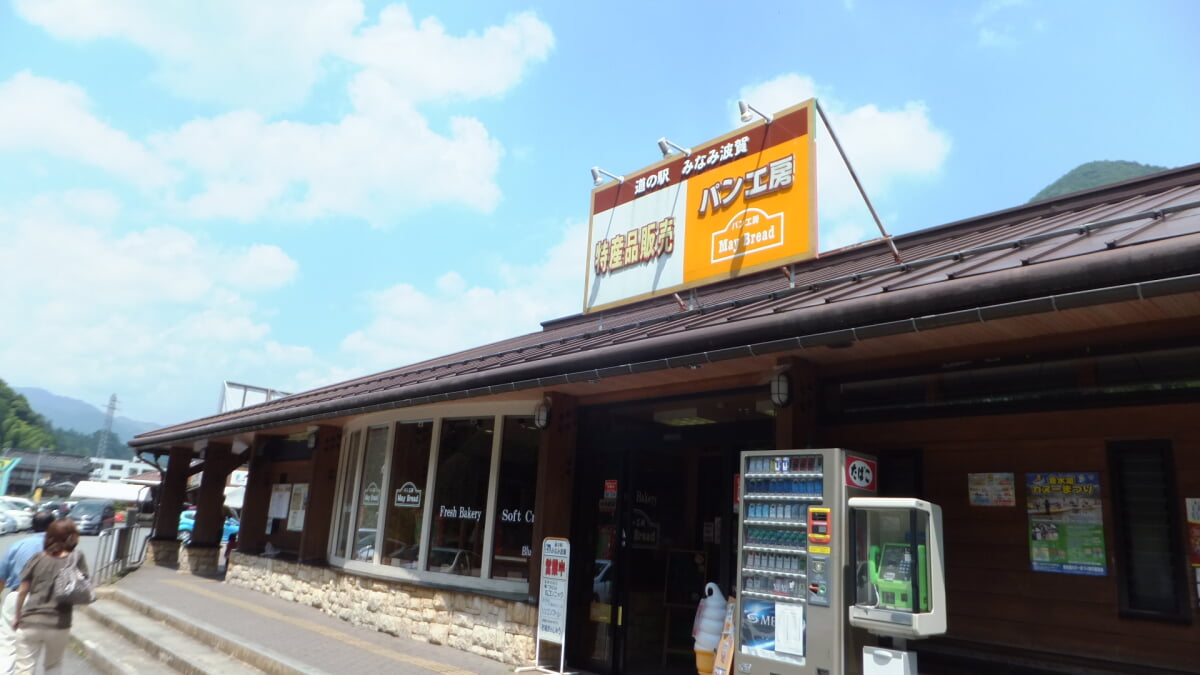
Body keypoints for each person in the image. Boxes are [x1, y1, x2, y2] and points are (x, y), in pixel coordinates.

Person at [12, 518, 88, 675]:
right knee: (53, 666)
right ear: (72, 537)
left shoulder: (38, 558)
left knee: (24, 668)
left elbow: (22, 590)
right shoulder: (76, 558)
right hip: (59, 622)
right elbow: (85, 584)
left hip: (31, 621)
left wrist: (17, 616)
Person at [0, 511, 55, 673]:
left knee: (7, 644)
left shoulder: (18, 545)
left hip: (15, 596)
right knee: (30, 649)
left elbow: (2, 577)